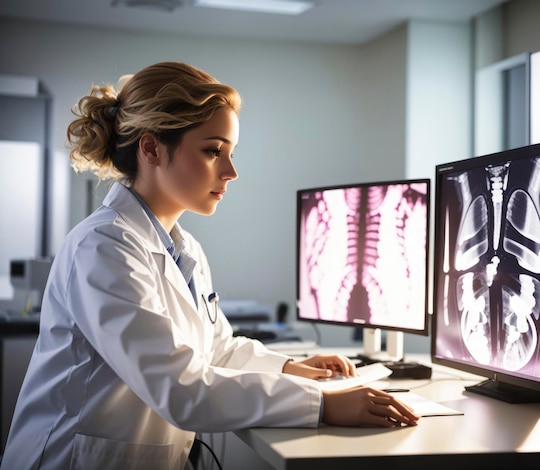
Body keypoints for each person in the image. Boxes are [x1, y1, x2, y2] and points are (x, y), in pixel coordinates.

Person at [0, 62, 419, 470]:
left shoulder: (185, 249)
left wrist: (290, 368)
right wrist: (323, 404)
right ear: (150, 148)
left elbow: (214, 350)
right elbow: (180, 388)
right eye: (212, 151)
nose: (231, 171)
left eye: (230, 153)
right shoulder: (103, 247)